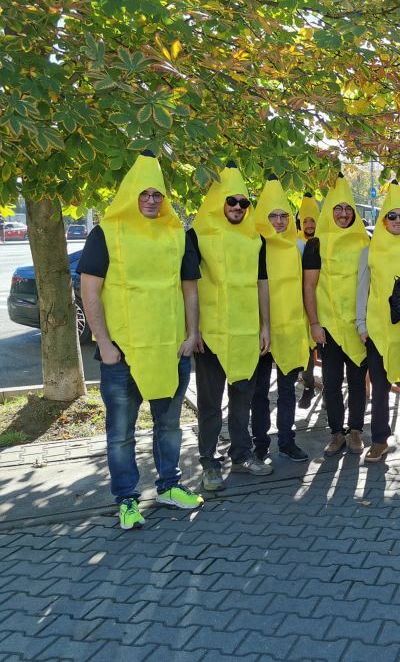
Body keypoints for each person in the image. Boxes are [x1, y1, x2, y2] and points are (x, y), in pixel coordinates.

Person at [78, 150, 204, 530]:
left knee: (169, 426)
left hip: (171, 350)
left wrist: (191, 334)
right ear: (131, 193)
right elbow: (89, 290)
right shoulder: (106, 233)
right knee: (121, 435)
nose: (152, 199)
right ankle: (127, 500)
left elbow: (189, 291)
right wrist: (103, 343)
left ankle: (169, 486)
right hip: (123, 355)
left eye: (158, 194)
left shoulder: (176, 235)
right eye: (145, 193)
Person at [191, 160, 274, 491]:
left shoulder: (257, 240)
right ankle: (209, 462)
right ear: (219, 202)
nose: (238, 207)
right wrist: (193, 330)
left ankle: (242, 454)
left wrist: (265, 326)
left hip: (246, 333)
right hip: (210, 335)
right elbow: (189, 286)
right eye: (232, 201)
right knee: (210, 405)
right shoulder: (196, 237)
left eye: (243, 202)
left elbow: (262, 284)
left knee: (242, 399)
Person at [356, 180, 400, 462]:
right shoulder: (370, 250)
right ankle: (379, 440)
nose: (398, 221)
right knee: (381, 387)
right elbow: (363, 288)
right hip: (378, 330)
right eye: (392, 216)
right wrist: (362, 324)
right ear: (383, 220)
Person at [303, 173, 370, 456]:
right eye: (338, 209)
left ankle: (355, 431)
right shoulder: (315, 244)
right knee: (331, 383)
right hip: (328, 326)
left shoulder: (365, 242)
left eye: (348, 209)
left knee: (357, 381)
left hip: (357, 326)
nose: (343, 214)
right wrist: (315, 323)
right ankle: (335, 432)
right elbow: (309, 285)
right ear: (330, 212)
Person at [250, 176, 310, 463]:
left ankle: (287, 441)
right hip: (261, 329)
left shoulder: (297, 247)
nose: (278, 221)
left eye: (283, 215)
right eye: (272, 215)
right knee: (259, 392)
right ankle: (259, 444)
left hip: (290, 328)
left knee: (287, 390)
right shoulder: (253, 245)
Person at [297, 192, 319, 409]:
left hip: (323, 301)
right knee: (306, 351)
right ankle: (308, 387)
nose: (309, 224)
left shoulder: (324, 241)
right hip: (300, 303)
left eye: (313, 220)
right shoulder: (294, 242)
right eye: (305, 221)